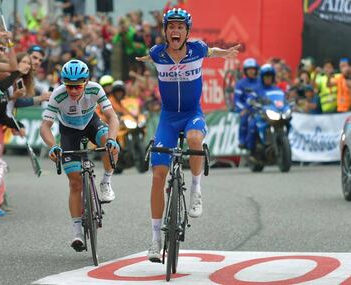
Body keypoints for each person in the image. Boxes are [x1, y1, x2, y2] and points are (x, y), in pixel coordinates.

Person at [136, 8, 240, 262]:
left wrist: (222, 53)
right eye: (171, 27)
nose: (175, 31)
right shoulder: (157, 53)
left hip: (192, 112)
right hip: (168, 118)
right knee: (158, 174)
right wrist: (144, 59)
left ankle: (196, 190)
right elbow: (150, 58)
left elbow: (210, 51)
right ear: (165, 31)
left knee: (195, 139)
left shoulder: (197, 49)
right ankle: (155, 239)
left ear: (187, 32)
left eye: (180, 27)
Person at [40, 59, 120, 251]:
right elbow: (45, 127)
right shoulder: (58, 96)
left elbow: (112, 117)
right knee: (75, 182)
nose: (73, 91)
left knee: (111, 146)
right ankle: (77, 232)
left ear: (86, 82)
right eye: (69, 86)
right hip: (69, 132)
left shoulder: (95, 89)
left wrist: (112, 139)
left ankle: (106, 182)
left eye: (77, 86)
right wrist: (52, 146)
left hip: (91, 123)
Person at [245, 64, 286, 153]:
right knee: (253, 125)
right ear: (262, 77)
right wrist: (251, 102)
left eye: (270, 76)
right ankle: (251, 149)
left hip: (276, 113)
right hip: (261, 114)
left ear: (273, 77)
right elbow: (250, 99)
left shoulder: (277, 90)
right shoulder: (257, 89)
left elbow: (283, 100)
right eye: (266, 76)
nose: (268, 78)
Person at [234, 58, 260, 149]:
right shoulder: (240, 84)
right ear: (245, 71)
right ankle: (242, 141)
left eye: (253, 69)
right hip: (245, 109)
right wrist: (244, 109)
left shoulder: (261, 81)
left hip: (260, 108)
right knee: (244, 119)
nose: (251, 71)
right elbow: (237, 100)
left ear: (256, 70)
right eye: (249, 69)